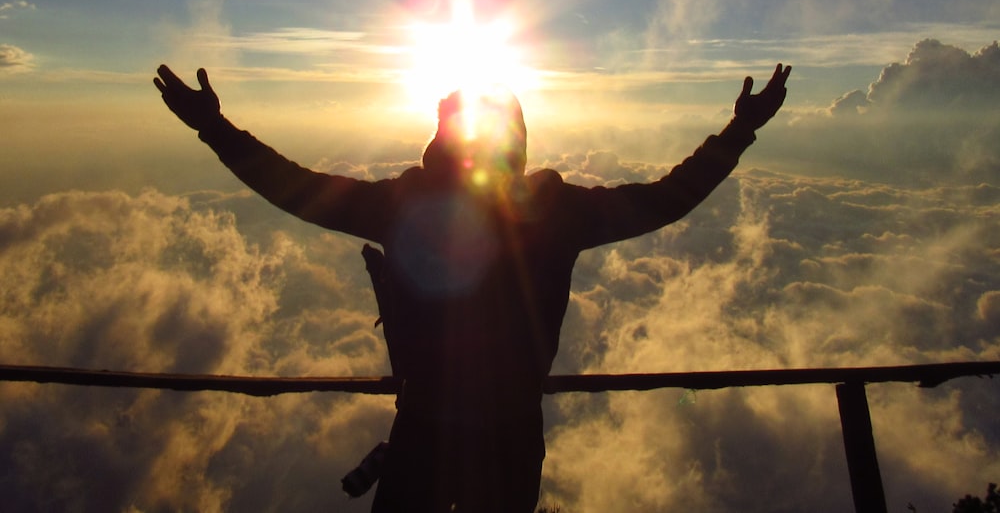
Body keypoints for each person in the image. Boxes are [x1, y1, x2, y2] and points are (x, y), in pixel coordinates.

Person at [154, 62, 791, 513]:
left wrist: (214, 128)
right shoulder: (551, 212)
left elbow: (295, 188)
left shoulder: (406, 205)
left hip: (424, 434)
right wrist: (738, 133)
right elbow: (663, 201)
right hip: (506, 436)